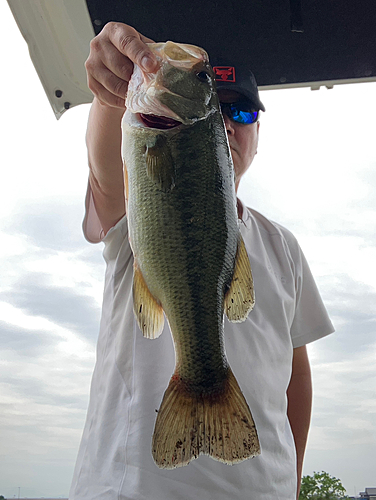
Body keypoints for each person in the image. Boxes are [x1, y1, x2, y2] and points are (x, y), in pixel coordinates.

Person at [69, 22, 334, 500]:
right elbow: (105, 175)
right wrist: (115, 89)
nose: (229, 120)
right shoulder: (133, 207)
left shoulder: (284, 248)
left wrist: (293, 485)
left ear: (258, 133)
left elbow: (297, 375)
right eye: (219, 102)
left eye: (243, 110)